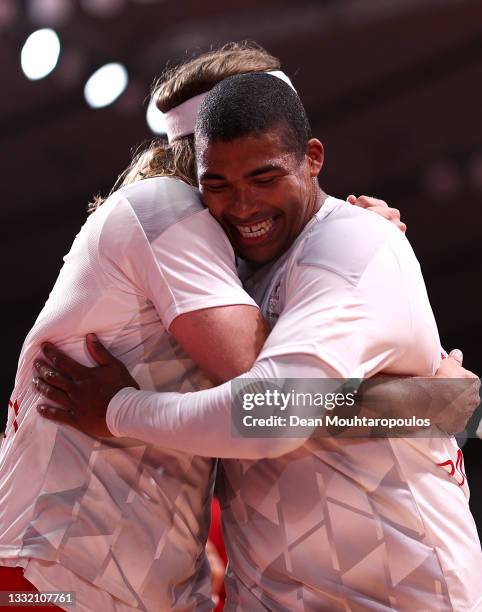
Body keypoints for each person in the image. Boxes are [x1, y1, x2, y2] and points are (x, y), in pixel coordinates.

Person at [35, 72, 482, 610]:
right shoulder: (188, 250)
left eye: (264, 175)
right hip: (71, 573)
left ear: (310, 156)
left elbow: (275, 407)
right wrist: (434, 405)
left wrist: (119, 409)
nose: (243, 205)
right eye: (216, 182)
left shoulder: (346, 243)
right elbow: (276, 403)